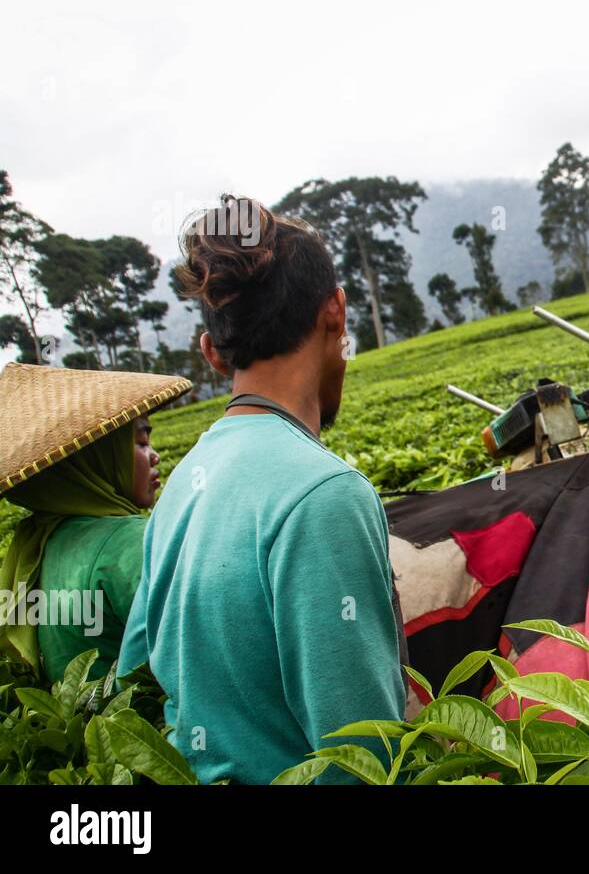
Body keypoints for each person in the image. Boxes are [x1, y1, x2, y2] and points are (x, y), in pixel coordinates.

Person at [117, 194, 405, 784]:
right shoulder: (324, 493)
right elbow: (362, 760)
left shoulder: (179, 490)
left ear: (211, 354)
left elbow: (138, 676)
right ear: (337, 313)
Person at [0, 364, 190, 681]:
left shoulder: (36, 544)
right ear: (97, 461)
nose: (154, 456)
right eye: (141, 443)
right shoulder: (131, 542)